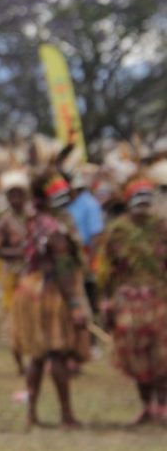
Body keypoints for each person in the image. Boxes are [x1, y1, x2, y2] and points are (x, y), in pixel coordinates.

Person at [11, 173, 90, 428]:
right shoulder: (54, 227)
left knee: (38, 355)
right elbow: (63, 265)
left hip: (31, 287)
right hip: (49, 291)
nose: (66, 199)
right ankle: (66, 416)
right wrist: (75, 304)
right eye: (61, 195)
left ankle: (31, 414)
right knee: (56, 353)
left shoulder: (35, 220)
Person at [98, 178, 167, 423]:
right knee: (134, 356)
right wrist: (106, 301)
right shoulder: (118, 230)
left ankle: (163, 404)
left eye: (146, 198)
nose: (143, 203)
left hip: (159, 299)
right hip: (128, 302)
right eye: (138, 198)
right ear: (128, 202)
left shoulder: (162, 228)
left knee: (162, 355)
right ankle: (147, 405)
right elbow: (108, 270)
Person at [0, 168, 32, 374]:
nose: (16, 199)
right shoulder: (4, 221)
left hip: (33, 274)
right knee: (14, 319)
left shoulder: (35, 217)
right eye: (12, 195)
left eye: (20, 194)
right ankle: (20, 365)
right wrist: (21, 251)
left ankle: (37, 359)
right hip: (13, 275)